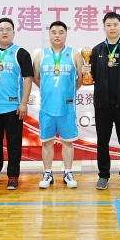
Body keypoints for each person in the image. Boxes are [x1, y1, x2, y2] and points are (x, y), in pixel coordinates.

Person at [82, 11, 120, 191]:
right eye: (108, 25)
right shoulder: (96, 51)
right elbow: (90, 78)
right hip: (103, 105)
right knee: (102, 142)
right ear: (104, 27)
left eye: (115, 25)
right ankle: (103, 175)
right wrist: (86, 71)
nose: (112, 28)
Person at [0, 17, 33, 190]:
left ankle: (13, 175)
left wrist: (24, 103)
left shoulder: (21, 53)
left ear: (13, 32)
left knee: (13, 144)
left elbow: (28, 79)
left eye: (8, 29)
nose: (4, 32)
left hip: (13, 108)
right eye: (1, 29)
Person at [32, 21, 83, 189]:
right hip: (47, 108)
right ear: (49, 35)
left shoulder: (74, 54)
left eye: (61, 32)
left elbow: (81, 78)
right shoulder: (40, 55)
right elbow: (36, 78)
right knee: (47, 142)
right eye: (54, 32)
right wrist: (48, 91)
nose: (57, 35)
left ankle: (68, 172)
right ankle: (47, 172)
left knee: (68, 141)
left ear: (66, 34)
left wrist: (69, 92)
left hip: (67, 108)